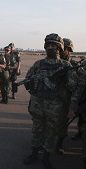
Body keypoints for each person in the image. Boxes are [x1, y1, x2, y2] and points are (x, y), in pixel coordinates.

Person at [23, 33, 76, 169]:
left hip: (54, 104)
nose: (50, 48)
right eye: (48, 45)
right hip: (38, 102)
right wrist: (33, 87)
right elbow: (28, 80)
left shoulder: (66, 66)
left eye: (54, 45)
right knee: (37, 129)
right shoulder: (38, 64)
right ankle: (34, 153)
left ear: (59, 47)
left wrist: (64, 80)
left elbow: (73, 86)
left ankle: (46, 157)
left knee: (51, 132)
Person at [56, 38, 76, 154]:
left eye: (64, 49)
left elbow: (75, 87)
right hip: (51, 99)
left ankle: (59, 144)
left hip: (65, 100)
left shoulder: (72, 65)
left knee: (63, 125)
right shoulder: (52, 62)